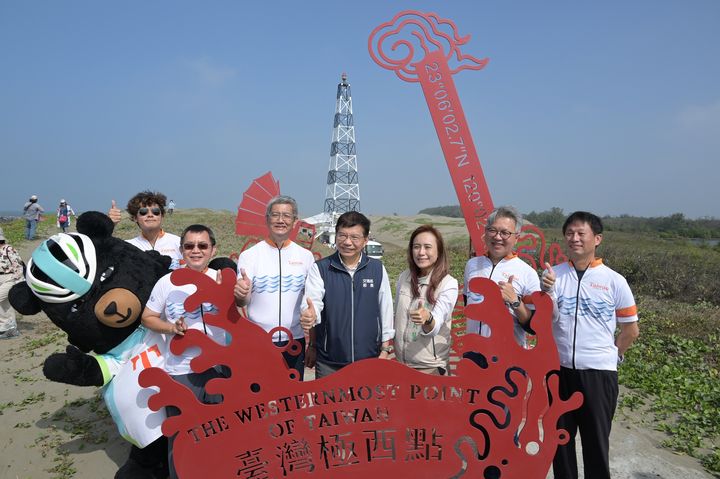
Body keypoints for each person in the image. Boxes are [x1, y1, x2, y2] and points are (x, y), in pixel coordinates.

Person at [544, 211, 639, 479]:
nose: (574, 238)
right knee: (560, 442)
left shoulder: (614, 281)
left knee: (596, 444)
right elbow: (547, 319)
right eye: (569, 233)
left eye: (580, 233)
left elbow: (630, 330)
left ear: (597, 239)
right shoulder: (554, 276)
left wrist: (612, 357)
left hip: (599, 375)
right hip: (560, 373)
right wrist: (547, 291)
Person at [141, 224, 226, 479]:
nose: (196, 251)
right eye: (189, 246)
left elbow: (239, 313)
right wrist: (170, 327)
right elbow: (147, 317)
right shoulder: (167, 282)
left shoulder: (221, 279)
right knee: (181, 435)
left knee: (222, 430)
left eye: (202, 246)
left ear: (213, 250)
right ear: (181, 251)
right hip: (180, 371)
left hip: (219, 369)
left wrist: (238, 294)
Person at [300, 211, 394, 379]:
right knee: (329, 406)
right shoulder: (321, 268)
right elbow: (313, 302)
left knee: (368, 406)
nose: (347, 242)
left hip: (369, 359)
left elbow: (385, 309)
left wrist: (385, 349)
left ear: (365, 240)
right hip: (330, 363)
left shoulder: (377, 269)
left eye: (355, 237)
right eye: (342, 236)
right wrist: (310, 314)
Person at [233, 196, 314, 380]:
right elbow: (242, 300)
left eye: (286, 215)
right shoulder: (250, 255)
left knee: (291, 401)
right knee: (259, 402)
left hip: (294, 341)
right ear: (266, 219)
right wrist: (241, 294)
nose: (280, 220)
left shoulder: (306, 256)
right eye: (275, 215)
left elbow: (311, 300)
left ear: (294, 221)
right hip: (258, 341)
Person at [463, 206, 541, 354]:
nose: (498, 237)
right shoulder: (472, 265)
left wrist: (515, 301)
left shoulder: (527, 273)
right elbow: (468, 305)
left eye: (505, 233)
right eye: (492, 230)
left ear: (516, 237)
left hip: (509, 357)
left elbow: (533, 326)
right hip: (473, 353)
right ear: (485, 233)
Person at [393, 225, 458, 375]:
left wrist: (428, 318)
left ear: (439, 251)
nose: (421, 252)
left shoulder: (448, 283)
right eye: (416, 247)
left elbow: (437, 322)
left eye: (427, 247)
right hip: (401, 366)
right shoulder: (404, 277)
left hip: (431, 369)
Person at [108, 191, 182, 264]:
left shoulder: (179, 243)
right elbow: (102, 254)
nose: (150, 215)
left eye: (155, 211)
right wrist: (109, 224)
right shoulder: (127, 246)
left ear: (162, 216)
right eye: (143, 212)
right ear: (135, 218)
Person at [0, 227, 24, 339]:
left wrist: (14, 281)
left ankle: (7, 327)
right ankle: (10, 329)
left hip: (10, 279)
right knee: (4, 304)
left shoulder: (8, 249)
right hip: (2, 279)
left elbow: (18, 267)